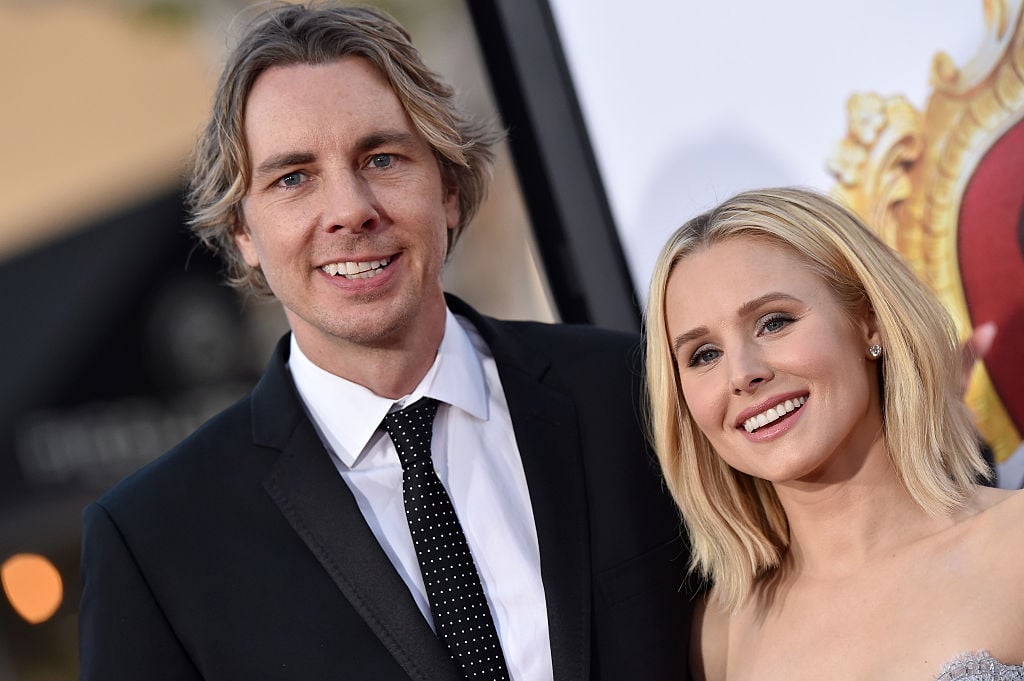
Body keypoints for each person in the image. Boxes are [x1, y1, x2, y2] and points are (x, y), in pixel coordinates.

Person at [77, 3, 692, 680]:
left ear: (449, 190)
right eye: (293, 178)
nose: (350, 209)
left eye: (382, 157)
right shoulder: (156, 541)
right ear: (243, 233)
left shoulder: (631, 391)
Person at [643, 187, 1024, 680]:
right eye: (703, 355)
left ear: (869, 323)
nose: (741, 374)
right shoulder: (720, 635)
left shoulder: (1013, 543)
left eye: (773, 323)